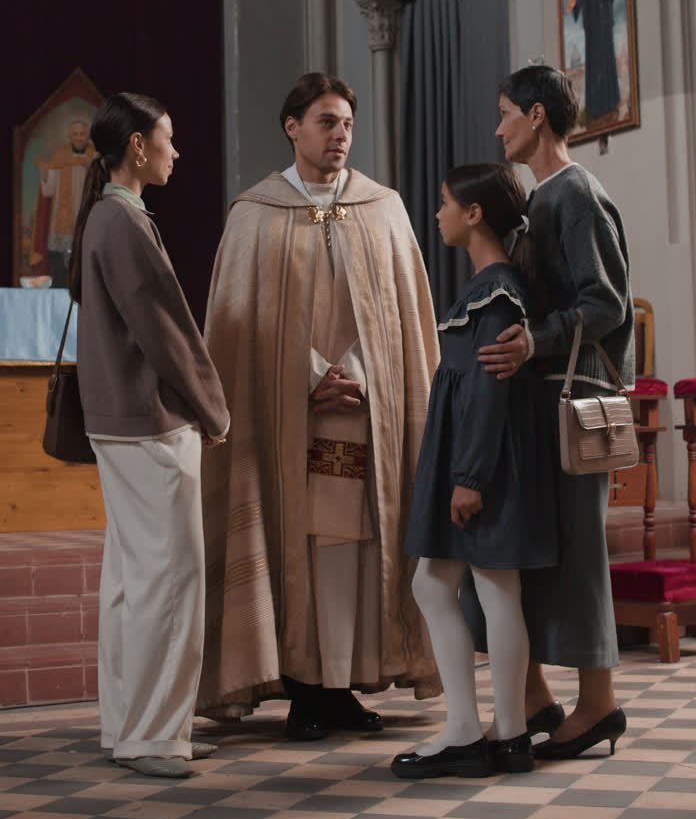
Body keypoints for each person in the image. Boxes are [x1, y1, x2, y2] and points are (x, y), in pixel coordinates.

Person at [198, 72, 440, 739]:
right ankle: (307, 688)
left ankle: (345, 684)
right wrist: (309, 377)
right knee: (301, 544)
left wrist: (355, 371)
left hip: (368, 408)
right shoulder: (255, 214)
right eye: (327, 122)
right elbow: (241, 327)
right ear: (292, 127)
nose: (340, 136)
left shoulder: (382, 208)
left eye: (348, 125)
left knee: (359, 550)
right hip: (288, 416)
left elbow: (400, 316)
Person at [68, 92, 230, 779]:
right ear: (136, 145)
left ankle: (130, 723)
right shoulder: (125, 223)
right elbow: (168, 335)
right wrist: (214, 409)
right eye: (168, 139)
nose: (176, 151)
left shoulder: (103, 215)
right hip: (150, 423)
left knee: (133, 580)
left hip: (116, 420)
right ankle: (156, 736)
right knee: (170, 581)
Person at [477, 64, 633, 760]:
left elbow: (607, 305)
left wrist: (535, 338)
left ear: (537, 115)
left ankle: (599, 704)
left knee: (580, 555)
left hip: (577, 402)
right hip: (542, 399)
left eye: (507, 112)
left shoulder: (576, 195)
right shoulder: (540, 200)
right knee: (535, 552)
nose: (499, 125)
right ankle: (537, 697)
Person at [391, 164, 557, 780]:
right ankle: (508, 735)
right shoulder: (495, 288)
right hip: (474, 460)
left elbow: (489, 394)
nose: (438, 215)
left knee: (440, 585)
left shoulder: (496, 292)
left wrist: (471, 477)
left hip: (477, 463)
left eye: (443, 203)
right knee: (486, 586)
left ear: (475, 213)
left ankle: (469, 731)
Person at [31, 119, 95, 286]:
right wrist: (45, 173)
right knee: (60, 267)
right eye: (75, 134)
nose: (79, 137)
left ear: (87, 135)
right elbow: (49, 190)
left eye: (82, 134)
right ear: (70, 136)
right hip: (62, 218)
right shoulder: (59, 155)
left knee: (84, 261)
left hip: (86, 215)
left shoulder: (95, 157)